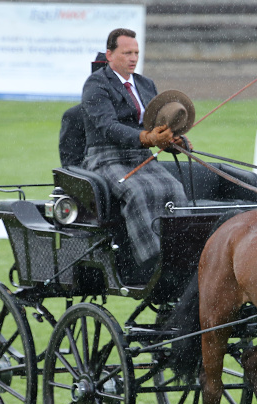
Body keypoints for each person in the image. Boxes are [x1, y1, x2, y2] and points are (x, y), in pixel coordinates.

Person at [80, 28, 191, 266]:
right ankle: (153, 262)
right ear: (109, 55)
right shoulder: (96, 84)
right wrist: (147, 138)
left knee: (175, 190)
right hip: (105, 158)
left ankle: (182, 255)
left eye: (136, 53)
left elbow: (161, 125)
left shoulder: (146, 84)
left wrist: (175, 141)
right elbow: (107, 126)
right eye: (127, 52)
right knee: (138, 193)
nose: (133, 58)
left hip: (141, 157)